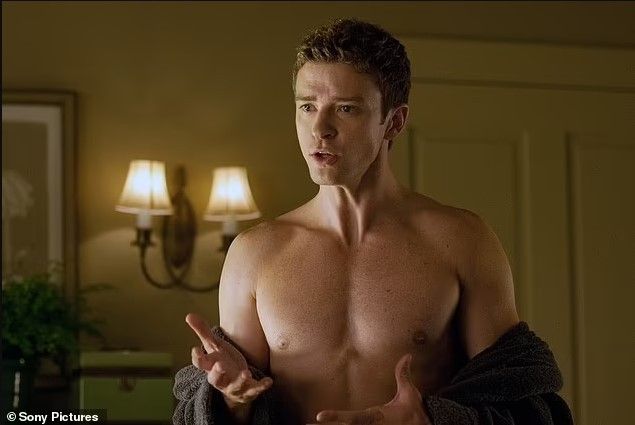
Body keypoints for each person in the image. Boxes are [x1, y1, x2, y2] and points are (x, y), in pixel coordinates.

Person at [173, 19, 572, 425]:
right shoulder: (254, 254)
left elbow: (524, 406)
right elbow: (235, 402)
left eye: (346, 109)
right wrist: (230, 401)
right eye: (307, 106)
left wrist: (432, 419)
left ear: (394, 122)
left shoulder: (463, 242)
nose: (320, 129)